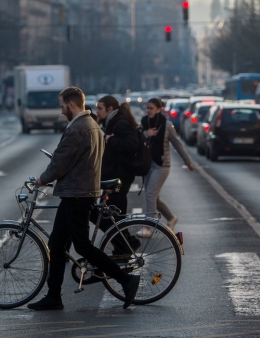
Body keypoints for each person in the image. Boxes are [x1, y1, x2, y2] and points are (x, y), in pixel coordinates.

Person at [28, 87, 140, 311]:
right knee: (57, 244)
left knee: (82, 246)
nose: (61, 112)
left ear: (71, 105)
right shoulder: (92, 125)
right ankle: (53, 296)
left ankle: (126, 280)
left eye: (62, 107)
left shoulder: (78, 128)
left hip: (77, 194)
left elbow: (60, 161)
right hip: (77, 192)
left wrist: (42, 180)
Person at [138, 98, 193, 237]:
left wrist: (188, 161)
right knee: (153, 197)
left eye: (151, 108)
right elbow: (137, 140)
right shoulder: (144, 122)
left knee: (150, 194)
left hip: (162, 165)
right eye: (147, 108)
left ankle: (147, 227)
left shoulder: (166, 125)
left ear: (159, 109)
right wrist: (146, 134)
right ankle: (171, 218)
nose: (148, 111)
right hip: (147, 164)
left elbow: (177, 144)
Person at [94, 96, 141, 238]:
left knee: (109, 214)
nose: (97, 111)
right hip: (115, 175)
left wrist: (111, 139)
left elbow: (132, 144)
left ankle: (125, 245)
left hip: (120, 177)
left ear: (110, 109)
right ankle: (124, 245)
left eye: (100, 108)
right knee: (114, 214)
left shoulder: (120, 123)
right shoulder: (112, 122)